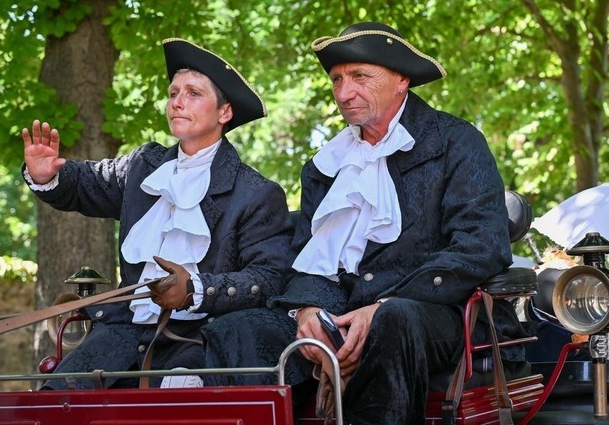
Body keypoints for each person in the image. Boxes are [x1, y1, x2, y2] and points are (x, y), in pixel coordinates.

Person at [205, 22, 531, 424]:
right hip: (341, 312)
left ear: (401, 80)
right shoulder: (324, 167)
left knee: (394, 320)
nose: (344, 93)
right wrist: (308, 312)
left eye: (360, 76)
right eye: (337, 79)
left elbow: (480, 247)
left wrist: (381, 307)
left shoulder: (456, 142)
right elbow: (307, 257)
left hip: (438, 313)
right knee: (238, 329)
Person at [21, 38, 293, 390]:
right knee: (57, 399)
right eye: (173, 93)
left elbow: (267, 280)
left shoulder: (256, 192)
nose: (177, 102)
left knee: (174, 399)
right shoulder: (143, 166)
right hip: (123, 333)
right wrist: (48, 176)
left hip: (202, 339)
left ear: (224, 113)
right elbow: (89, 181)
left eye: (193, 93)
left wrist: (196, 289)